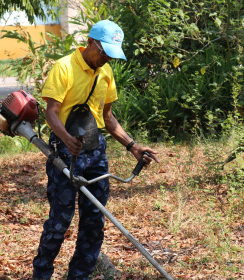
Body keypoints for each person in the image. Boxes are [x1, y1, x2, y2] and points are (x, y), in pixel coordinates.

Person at [32, 20, 159, 280]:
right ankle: (41, 274)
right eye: (104, 52)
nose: (105, 59)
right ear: (90, 42)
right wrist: (67, 139)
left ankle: (80, 276)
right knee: (59, 223)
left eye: (111, 55)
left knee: (94, 223)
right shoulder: (64, 67)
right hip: (66, 153)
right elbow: (51, 114)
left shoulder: (106, 72)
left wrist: (132, 146)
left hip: (96, 151)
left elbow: (108, 117)